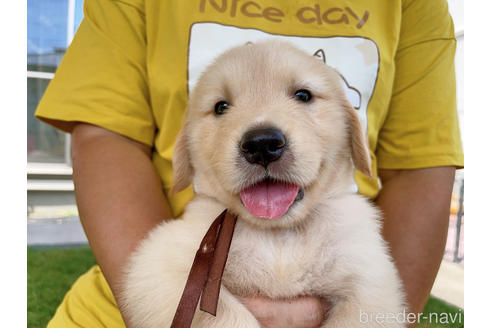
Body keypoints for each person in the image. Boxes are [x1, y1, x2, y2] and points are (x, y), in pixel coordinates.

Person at [35, 0, 463, 327]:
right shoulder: (200, 227)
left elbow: (381, 302)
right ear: (185, 148)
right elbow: (155, 277)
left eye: (302, 95)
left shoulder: (353, 228)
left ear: (353, 129)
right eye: (221, 106)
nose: (261, 136)